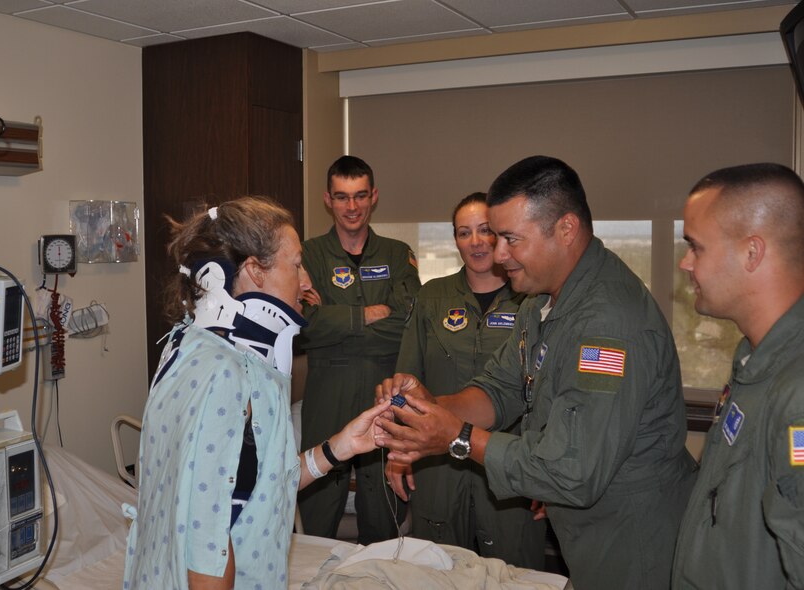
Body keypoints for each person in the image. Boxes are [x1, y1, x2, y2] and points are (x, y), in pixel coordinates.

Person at [375, 156, 696, 590]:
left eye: (510, 239)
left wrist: (457, 436)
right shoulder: (541, 301)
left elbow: (570, 471)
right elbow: (500, 388)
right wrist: (430, 409)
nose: (498, 254)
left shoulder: (606, 324)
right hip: (586, 533)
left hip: (632, 542)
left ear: (565, 230)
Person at [122, 196, 393, 590]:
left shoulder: (186, 347)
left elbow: (260, 490)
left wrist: (340, 448)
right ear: (254, 270)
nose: (307, 282)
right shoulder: (227, 373)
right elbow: (209, 539)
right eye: (297, 265)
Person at [391, 192, 546, 567]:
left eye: (485, 231)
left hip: (510, 461)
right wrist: (400, 451)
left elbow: (549, 391)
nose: (476, 242)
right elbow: (404, 384)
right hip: (438, 463)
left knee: (514, 570)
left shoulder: (532, 301)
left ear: (501, 236)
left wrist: (547, 471)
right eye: (464, 233)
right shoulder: (432, 298)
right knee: (438, 568)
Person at [672, 163, 804, 589]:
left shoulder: (797, 393)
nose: (684, 263)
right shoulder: (755, 359)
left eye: (696, 247)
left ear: (752, 252)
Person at [298, 155, 421, 544]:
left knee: (382, 508)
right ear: (327, 200)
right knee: (317, 505)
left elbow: (408, 324)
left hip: (384, 390)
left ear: (374, 198)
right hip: (327, 390)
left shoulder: (397, 255)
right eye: (342, 197)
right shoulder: (308, 255)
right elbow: (304, 328)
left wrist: (332, 319)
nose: (351, 207)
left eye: (360, 196)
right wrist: (368, 313)